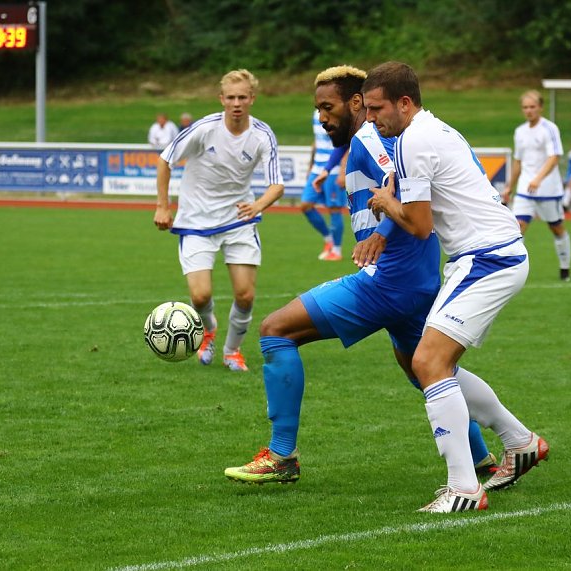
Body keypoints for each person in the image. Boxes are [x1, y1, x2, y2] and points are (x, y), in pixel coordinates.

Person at [224, 65, 499, 489]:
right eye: (317, 109)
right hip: (416, 278)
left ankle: (281, 456)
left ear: (356, 103)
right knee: (425, 369)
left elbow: (404, 187)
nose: (322, 117)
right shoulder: (368, 138)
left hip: (390, 279)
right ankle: (484, 458)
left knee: (275, 330)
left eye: (328, 107)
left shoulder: (371, 137)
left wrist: (383, 236)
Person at [364, 61, 548, 513]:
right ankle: (519, 442)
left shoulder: (411, 140)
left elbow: (421, 226)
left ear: (404, 103)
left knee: (426, 360)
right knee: (428, 362)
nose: (370, 118)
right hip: (494, 253)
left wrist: (387, 201)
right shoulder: (435, 129)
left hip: (487, 258)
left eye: (377, 108)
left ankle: (464, 488)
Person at [153, 69, 285, 372]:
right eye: (231, 97)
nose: (236, 103)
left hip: (239, 221)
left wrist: (258, 205)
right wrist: (163, 206)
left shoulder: (263, 135)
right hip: (196, 221)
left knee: (245, 294)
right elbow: (165, 160)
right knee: (200, 296)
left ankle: (232, 351)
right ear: (221, 99)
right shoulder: (204, 129)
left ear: (252, 99)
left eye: (242, 97)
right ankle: (208, 330)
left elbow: (276, 184)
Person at [501, 90, 571, 282]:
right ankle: (512, 272)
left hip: (548, 189)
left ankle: (565, 268)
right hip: (525, 190)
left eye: (532, 107)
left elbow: (554, 157)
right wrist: (510, 186)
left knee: (556, 228)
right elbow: (518, 161)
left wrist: (538, 179)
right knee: (518, 228)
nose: (529, 111)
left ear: (540, 107)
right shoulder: (520, 131)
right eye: (525, 107)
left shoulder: (549, 129)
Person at [300, 109, 348, 261]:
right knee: (306, 205)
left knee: (334, 209)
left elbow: (347, 142)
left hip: (333, 169)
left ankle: (337, 250)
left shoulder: (338, 112)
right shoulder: (316, 113)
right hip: (317, 169)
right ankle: (328, 240)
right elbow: (317, 141)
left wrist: (342, 170)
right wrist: (310, 166)